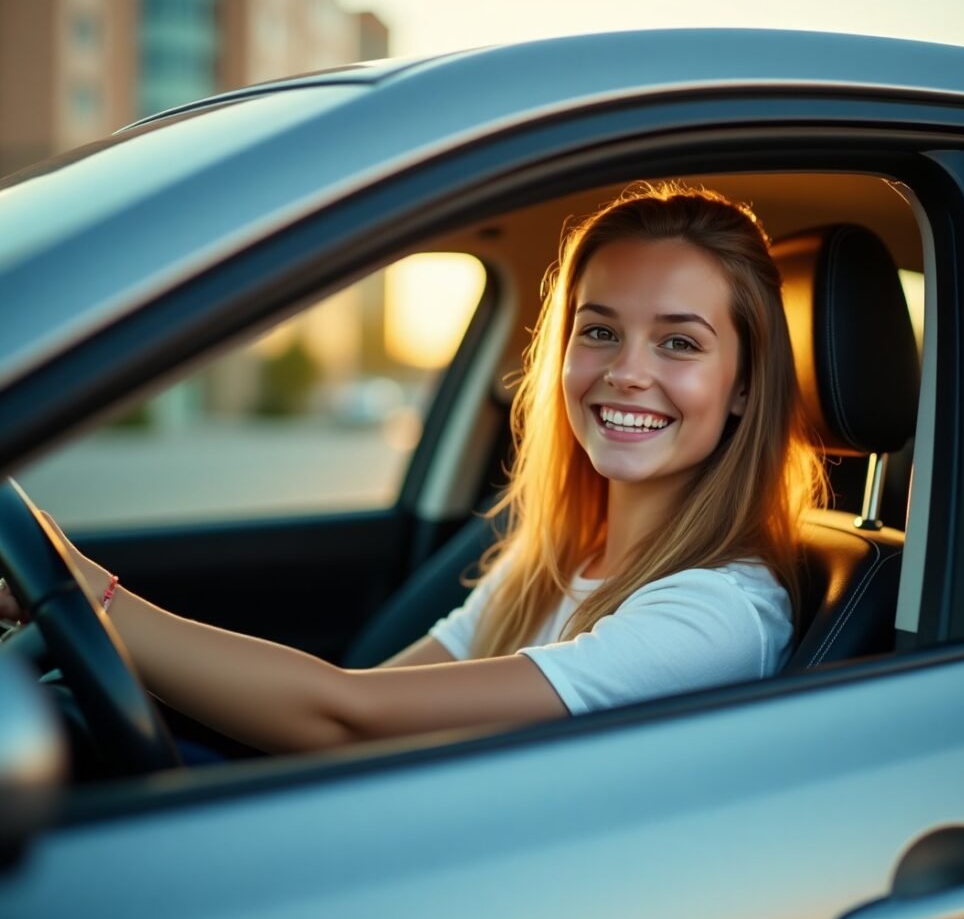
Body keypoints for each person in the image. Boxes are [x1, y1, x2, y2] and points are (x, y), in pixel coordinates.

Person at [0, 182, 822, 756]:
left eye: (679, 342)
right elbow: (369, 707)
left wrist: (88, 594)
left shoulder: (713, 615)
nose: (626, 372)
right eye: (599, 330)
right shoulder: (557, 560)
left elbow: (346, 720)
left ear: (744, 385)